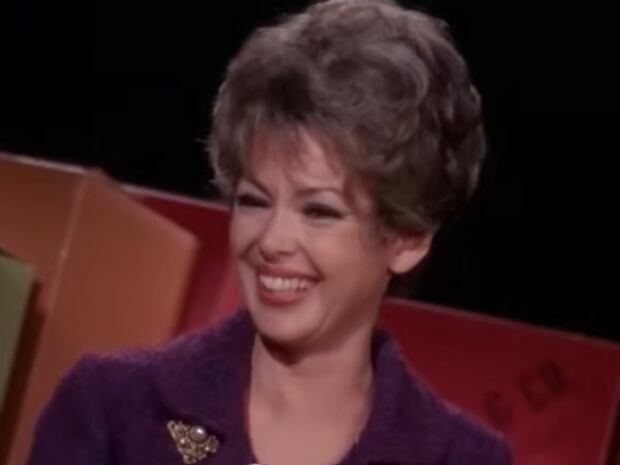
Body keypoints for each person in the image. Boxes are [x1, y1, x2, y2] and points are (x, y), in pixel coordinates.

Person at [28, 1, 511, 464]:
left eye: (319, 211)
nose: (272, 240)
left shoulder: (461, 458)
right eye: (254, 201)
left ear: (408, 237)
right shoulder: (113, 409)